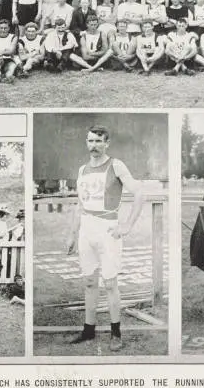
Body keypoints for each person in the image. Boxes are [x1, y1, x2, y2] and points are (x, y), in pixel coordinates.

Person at [66, 125, 144, 351]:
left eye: (99, 141)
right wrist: (72, 234)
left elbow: (138, 193)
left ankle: (115, 332)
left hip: (108, 229)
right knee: (89, 282)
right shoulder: (82, 170)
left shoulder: (116, 165)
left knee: (110, 283)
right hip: (86, 230)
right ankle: (88, 330)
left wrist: (127, 224)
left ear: (107, 143)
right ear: (86, 142)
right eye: (91, 141)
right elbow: (80, 204)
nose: (94, 146)